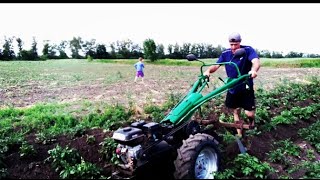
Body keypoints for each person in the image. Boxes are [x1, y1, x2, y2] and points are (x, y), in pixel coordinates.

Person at [204, 32, 261, 138]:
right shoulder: (225, 53)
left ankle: (251, 122)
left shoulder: (248, 50)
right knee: (236, 111)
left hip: (245, 86)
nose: (234, 47)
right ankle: (239, 134)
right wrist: (208, 71)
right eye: (231, 45)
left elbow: (255, 62)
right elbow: (216, 66)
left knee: (250, 113)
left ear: (240, 42)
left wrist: (253, 71)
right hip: (232, 87)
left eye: (236, 44)